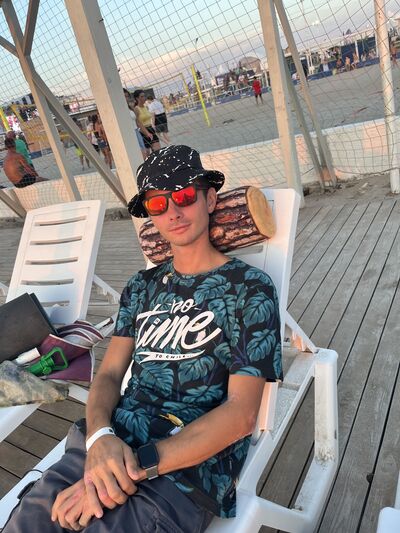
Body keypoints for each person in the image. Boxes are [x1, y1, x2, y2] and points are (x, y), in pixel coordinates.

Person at [3, 144, 282, 533]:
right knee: (29, 523)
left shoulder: (250, 288)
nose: (173, 212)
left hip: (181, 474)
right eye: (158, 203)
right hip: (103, 448)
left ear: (210, 199)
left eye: (184, 196)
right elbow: (109, 375)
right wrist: (100, 438)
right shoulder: (141, 286)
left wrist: (129, 468)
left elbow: (241, 414)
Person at [132, 90, 161, 155]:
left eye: (144, 96)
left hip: (150, 129)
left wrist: (153, 126)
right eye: (142, 96)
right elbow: (138, 123)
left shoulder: (146, 107)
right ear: (137, 98)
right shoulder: (136, 109)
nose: (144, 98)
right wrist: (146, 132)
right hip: (143, 131)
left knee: (158, 151)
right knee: (147, 154)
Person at [123, 89, 148, 161]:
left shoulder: (130, 108)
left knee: (144, 152)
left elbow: (138, 122)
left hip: (136, 131)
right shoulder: (119, 109)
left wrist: (146, 132)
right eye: (124, 96)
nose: (126, 98)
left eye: (127, 96)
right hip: (129, 133)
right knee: (139, 154)